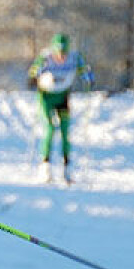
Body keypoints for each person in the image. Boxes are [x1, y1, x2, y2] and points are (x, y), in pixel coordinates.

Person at [28, 33, 94, 183]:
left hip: (62, 97)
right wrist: (34, 76)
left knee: (65, 130)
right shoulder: (46, 57)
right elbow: (33, 71)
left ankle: (66, 168)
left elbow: (85, 71)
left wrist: (88, 79)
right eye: (58, 53)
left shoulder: (75, 57)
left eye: (63, 53)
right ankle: (45, 166)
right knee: (50, 128)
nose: (61, 57)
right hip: (46, 97)